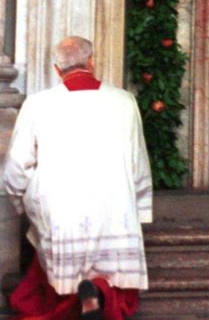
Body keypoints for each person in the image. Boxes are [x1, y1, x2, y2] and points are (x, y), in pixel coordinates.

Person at [4, 36, 152, 319]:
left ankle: (78, 294)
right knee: (111, 255)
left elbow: (16, 169)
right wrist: (140, 211)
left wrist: (23, 204)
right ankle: (99, 293)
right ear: (92, 62)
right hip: (113, 205)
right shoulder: (124, 101)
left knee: (55, 245)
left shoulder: (37, 104)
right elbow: (138, 162)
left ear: (57, 70)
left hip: (62, 208)